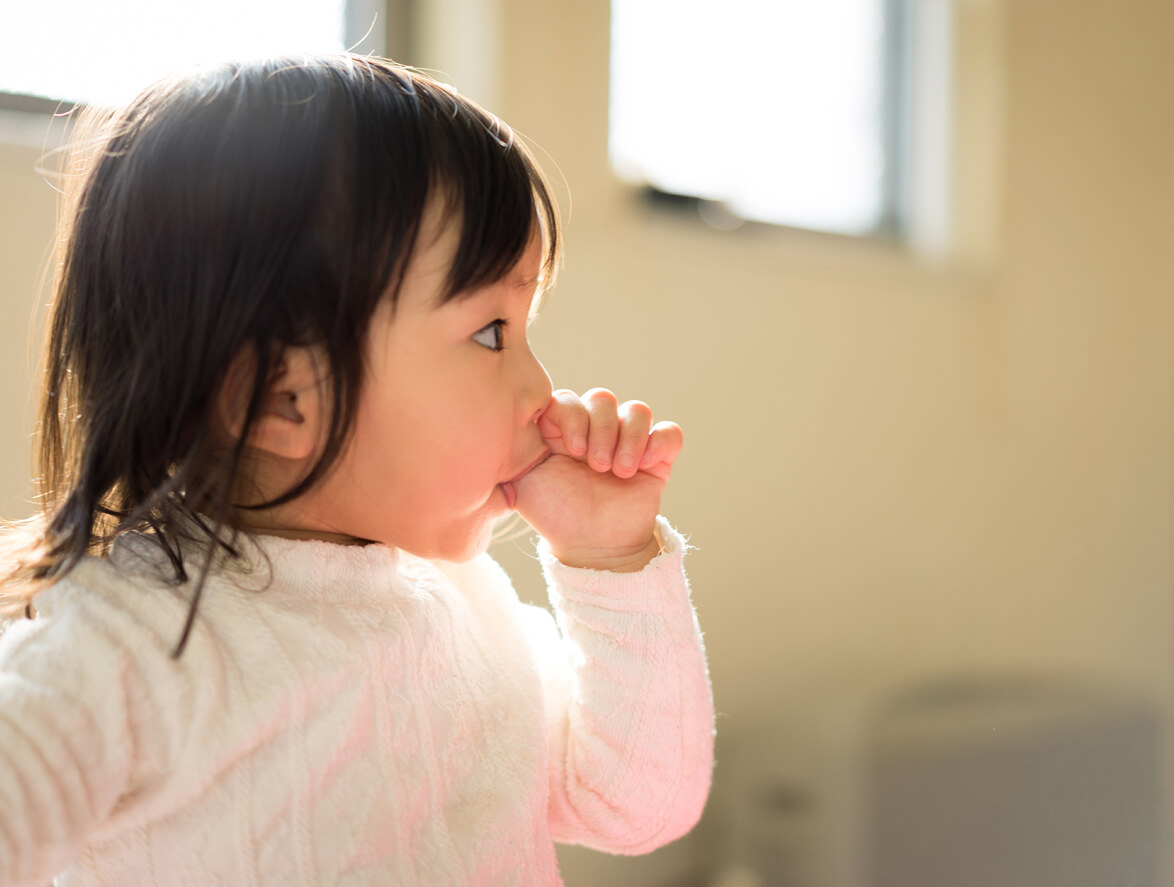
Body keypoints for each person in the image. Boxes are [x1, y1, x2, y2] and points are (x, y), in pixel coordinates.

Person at [0, 54, 714, 886]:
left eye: (525, 329)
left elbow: (641, 804)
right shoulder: (123, 644)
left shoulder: (465, 608)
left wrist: (612, 557)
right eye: (490, 332)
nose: (542, 388)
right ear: (281, 396)